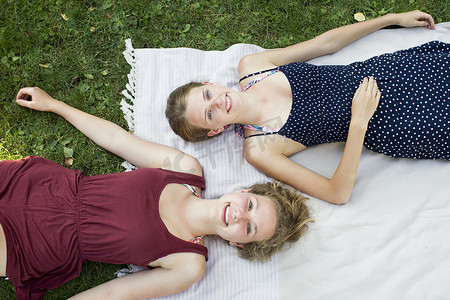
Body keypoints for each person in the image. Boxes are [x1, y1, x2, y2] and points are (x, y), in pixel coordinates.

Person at [0, 87, 312, 300]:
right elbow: (117, 140)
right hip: (45, 186)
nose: (240, 214)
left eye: (248, 228)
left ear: (237, 243)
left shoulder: (189, 265)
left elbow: (114, 294)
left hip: (43, 243)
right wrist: (54, 104)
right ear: (244, 191)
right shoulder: (186, 169)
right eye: (251, 205)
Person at [166, 10, 449, 204]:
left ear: (208, 83)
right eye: (209, 113)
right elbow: (336, 193)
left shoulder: (253, 67)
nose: (217, 101)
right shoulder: (260, 149)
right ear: (215, 130)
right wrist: (359, 122)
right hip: (396, 122)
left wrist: (391, 19)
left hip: (390, 73)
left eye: (206, 94)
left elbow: (326, 43)